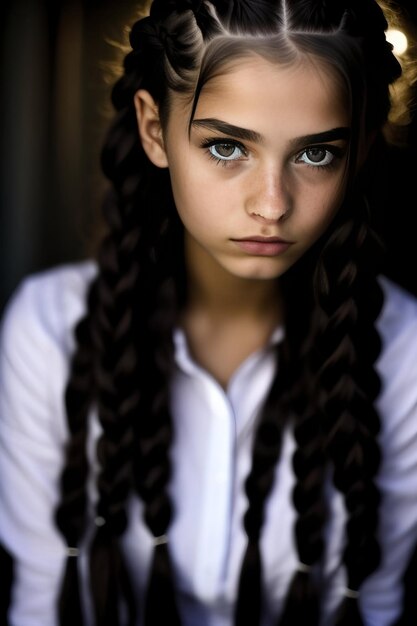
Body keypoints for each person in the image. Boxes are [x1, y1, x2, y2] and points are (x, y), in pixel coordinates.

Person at [1, 0, 417, 624]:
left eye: (314, 154)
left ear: (356, 150)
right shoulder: (49, 330)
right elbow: (44, 601)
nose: (272, 205)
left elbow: (377, 604)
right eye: (226, 147)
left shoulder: (403, 348)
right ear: (152, 130)